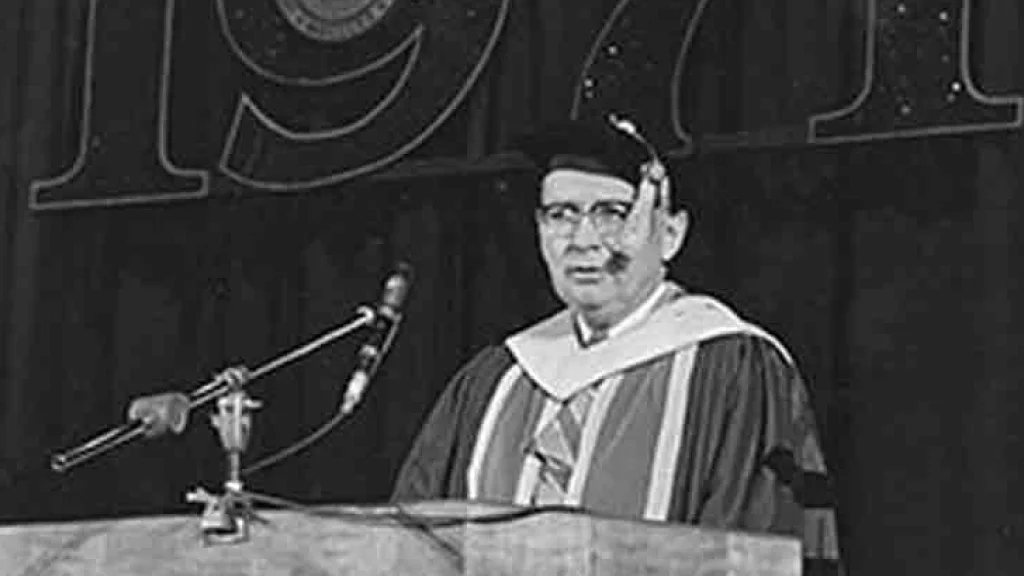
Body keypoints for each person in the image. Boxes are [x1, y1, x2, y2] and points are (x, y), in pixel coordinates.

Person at [391, 115, 840, 567]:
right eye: (561, 214)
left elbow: (756, 553)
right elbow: (410, 549)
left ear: (670, 234)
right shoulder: (492, 380)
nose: (583, 240)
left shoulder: (732, 370)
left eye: (612, 213)